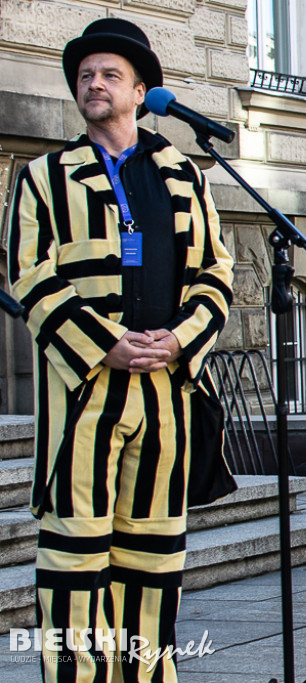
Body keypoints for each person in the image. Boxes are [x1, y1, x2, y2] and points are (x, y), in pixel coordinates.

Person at [6, 18, 233, 682]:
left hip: (166, 394)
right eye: (85, 76)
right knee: (74, 556)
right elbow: (29, 273)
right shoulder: (45, 177)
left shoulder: (183, 173)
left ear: (141, 89)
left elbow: (216, 272)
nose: (94, 85)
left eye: (109, 75)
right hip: (83, 399)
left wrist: (179, 339)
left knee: (153, 558)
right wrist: (103, 344)